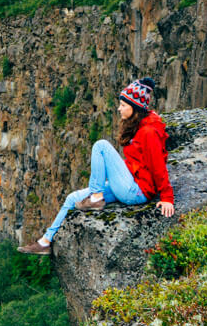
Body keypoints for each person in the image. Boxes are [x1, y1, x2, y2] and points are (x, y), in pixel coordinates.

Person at [18, 77, 175, 255]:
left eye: (123, 105)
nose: (119, 108)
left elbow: (158, 165)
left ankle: (95, 198)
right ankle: (45, 241)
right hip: (130, 182)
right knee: (72, 198)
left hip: (137, 192)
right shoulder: (140, 124)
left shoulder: (148, 132)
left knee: (101, 146)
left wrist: (167, 197)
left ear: (135, 108)